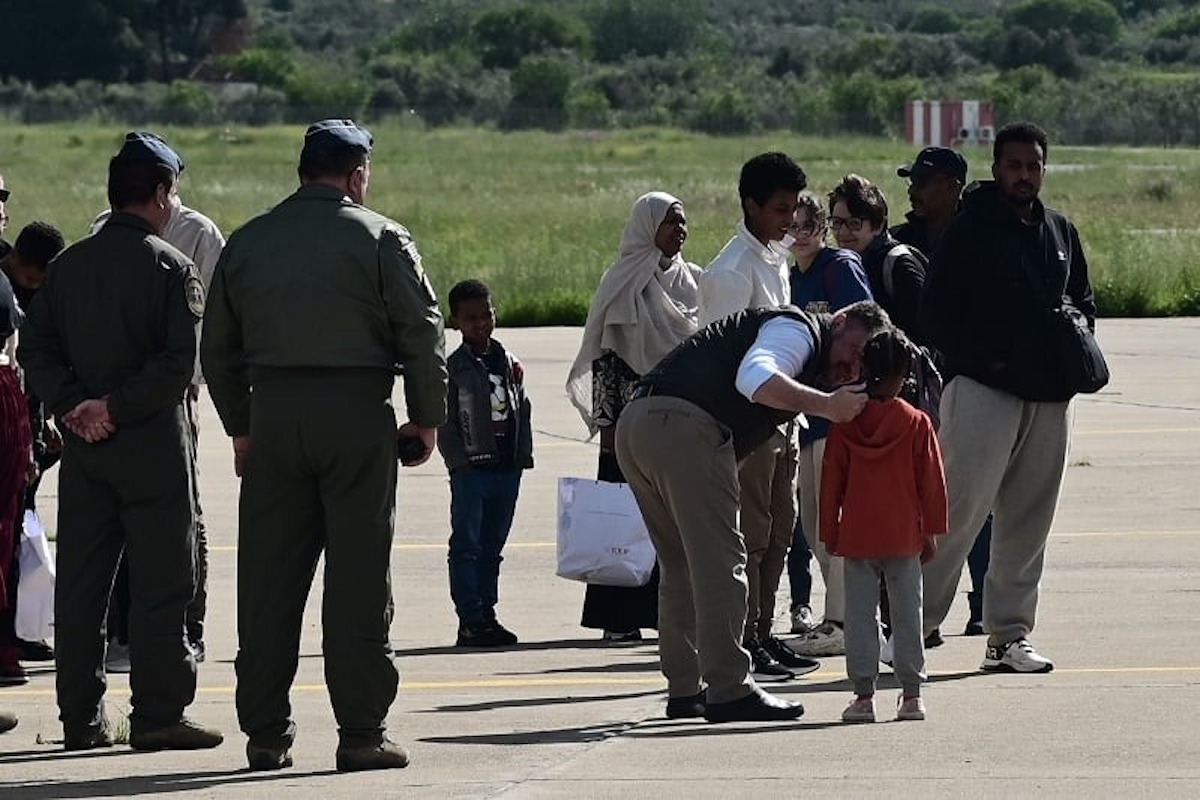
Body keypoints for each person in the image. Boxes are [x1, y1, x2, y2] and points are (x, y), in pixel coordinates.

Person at [202, 119, 447, 772]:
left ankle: (265, 734)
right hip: (356, 414)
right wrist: (425, 419)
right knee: (359, 579)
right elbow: (422, 334)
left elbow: (217, 348)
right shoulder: (381, 237)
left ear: (303, 169)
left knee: (268, 581)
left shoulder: (250, 241)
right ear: (356, 173)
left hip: (274, 413)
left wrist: (242, 426)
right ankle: (361, 732)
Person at [17, 132, 223, 751]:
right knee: (163, 582)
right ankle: (159, 714)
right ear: (160, 194)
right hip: (154, 445)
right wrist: (116, 406)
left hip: (86, 448)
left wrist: (75, 406)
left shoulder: (67, 267)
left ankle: (79, 718)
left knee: (82, 586)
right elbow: (176, 364)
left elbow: (37, 350)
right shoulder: (170, 267)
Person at [615, 300, 890, 722]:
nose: (854, 364)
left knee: (681, 567)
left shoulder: (805, 344)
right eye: (856, 348)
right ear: (839, 322)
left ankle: (686, 689)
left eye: (864, 363)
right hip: (684, 427)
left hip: (640, 425)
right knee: (722, 562)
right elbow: (756, 378)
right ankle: (729, 690)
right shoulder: (797, 331)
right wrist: (828, 406)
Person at [919, 121, 1095, 673]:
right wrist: (983, 363)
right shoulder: (969, 231)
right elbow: (936, 314)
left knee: (1029, 522)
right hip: (983, 394)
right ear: (996, 169)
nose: (1024, 175)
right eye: (1015, 165)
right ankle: (912, 625)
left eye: (1034, 166)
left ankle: (1008, 636)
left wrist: (1073, 344)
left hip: (1049, 399)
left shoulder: (1061, 232)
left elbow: (1084, 301)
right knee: (955, 515)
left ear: (1044, 168)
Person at [92, 160, 226, 665]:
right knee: (117, 515)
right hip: (112, 398)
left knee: (183, 515)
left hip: (172, 395)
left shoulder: (199, 235)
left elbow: (213, 321)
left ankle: (186, 628)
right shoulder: (103, 231)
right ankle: (121, 630)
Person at [697, 152, 816, 683]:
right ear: (750, 205)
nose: (789, 220)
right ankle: (743, 640)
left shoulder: (773, 256)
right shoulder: (730, 272)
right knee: (751, 536)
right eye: (779, 209)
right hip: (747, 427)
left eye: (793, 208)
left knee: (780, 532)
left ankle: (765, 633)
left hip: (781, 421)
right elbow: (723, 363)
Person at [565, 191, 701, 644]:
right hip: (626, 423)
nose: (679, 231)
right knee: (623, 521)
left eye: (682, 223)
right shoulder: (622, 281)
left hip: (678, 421)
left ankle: (669, 613)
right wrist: (606, 428)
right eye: (670, 223)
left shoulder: (692, 282)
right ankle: (619, 617)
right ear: (648, 228)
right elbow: (605, 359)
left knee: (674, 522)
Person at [820, 330, 947, 723]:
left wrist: (830, 531)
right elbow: (932, 482)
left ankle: (863, 695)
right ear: (905, 374)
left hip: (858, 535)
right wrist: (932, 530)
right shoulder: (916, 423)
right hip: (903, 533)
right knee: (908, 613)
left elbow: (830, 483)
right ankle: (911, 694)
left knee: (860, 616)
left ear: (863, 368)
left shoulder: (845, 425)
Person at [893, 146, 991, 641]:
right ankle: (922, 614)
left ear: (953, 185)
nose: (913, 188)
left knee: (976, 497)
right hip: (918, 389)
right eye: (913, 179)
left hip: (970, 380)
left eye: (924, 180)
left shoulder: (981, 235)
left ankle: (984, 603)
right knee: (925, 499)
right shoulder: (900, 241)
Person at [784, 191, 873, 657]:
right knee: (816, 523)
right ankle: (839, 614)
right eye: (790, 226)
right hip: (805, 414)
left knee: (835, 519)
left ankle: (842, 620)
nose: (797, 235)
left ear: (821, 228)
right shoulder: (786, 274)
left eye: (806, 226)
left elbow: (867, 328)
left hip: (837, 414)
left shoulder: (839, 268)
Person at [439, 279, 532, 647]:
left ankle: (488, 613)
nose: (481, 323)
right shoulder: (454, 369)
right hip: (471, 471)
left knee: (493, 545)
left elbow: (521, 410)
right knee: (468, 544)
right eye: (471, 318)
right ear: (456, 322)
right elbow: (445, 422)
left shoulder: (508, 363)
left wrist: (521, 456)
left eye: (487, 314)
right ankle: (470, 617)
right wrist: (459, 463)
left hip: (505, 467)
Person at [0, 222, 65, 680]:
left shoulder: (38, 294)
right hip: (11, 421)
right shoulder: (5, 286)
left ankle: (22, 629)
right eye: (31, 278)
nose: (35, 287)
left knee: (23, 535)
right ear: (16, 262)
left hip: (27, 426)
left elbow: (38, 361)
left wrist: (41, 427)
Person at [828, 174, 926, 345]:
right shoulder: (839, 265)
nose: (842, 232)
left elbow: (924, 335)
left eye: (854, 224)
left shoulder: (899, 265)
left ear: (878, 225)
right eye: (837, 222)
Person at [891, 146, 968, 257]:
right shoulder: (898, 240)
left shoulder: (978, 239)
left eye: (921, 182)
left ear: (953, 187)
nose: (911, 190)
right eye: (912, 182)